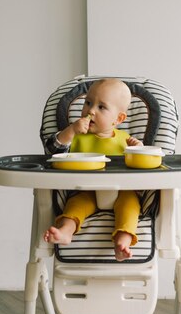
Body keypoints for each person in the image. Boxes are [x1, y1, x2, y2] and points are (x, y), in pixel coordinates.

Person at [43, 78, 143, 261]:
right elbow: (51, 150)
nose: (90, 111)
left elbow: (141, 166)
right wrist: (71, 131)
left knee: (131, 206)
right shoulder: (75, 135)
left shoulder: (125, 139)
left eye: (101, 107)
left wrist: (139, 148)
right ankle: (66, 231)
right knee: (75, 206)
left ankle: (122, 243)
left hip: (121, 191)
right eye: (88, 103)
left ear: (119, 118)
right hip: (85, 190)